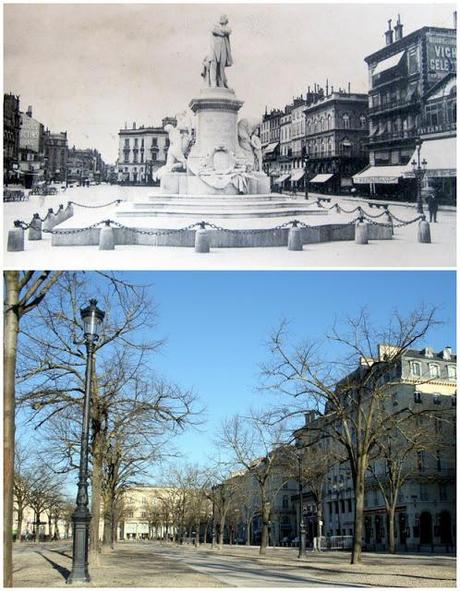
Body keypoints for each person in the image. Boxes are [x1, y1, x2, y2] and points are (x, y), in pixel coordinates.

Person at [208, 15, 233, 88]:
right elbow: (213, 30)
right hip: (214, 48)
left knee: (221, 67)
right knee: (214, 65)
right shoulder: (215, 26)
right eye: (221, 18)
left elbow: (228, 31)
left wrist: (220, 31)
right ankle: (213, 83)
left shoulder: (226, 28)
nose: (221, 19)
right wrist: (222, 32)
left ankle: (222, 82)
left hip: (223, 49)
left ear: (226, 21)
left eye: (223, 18)